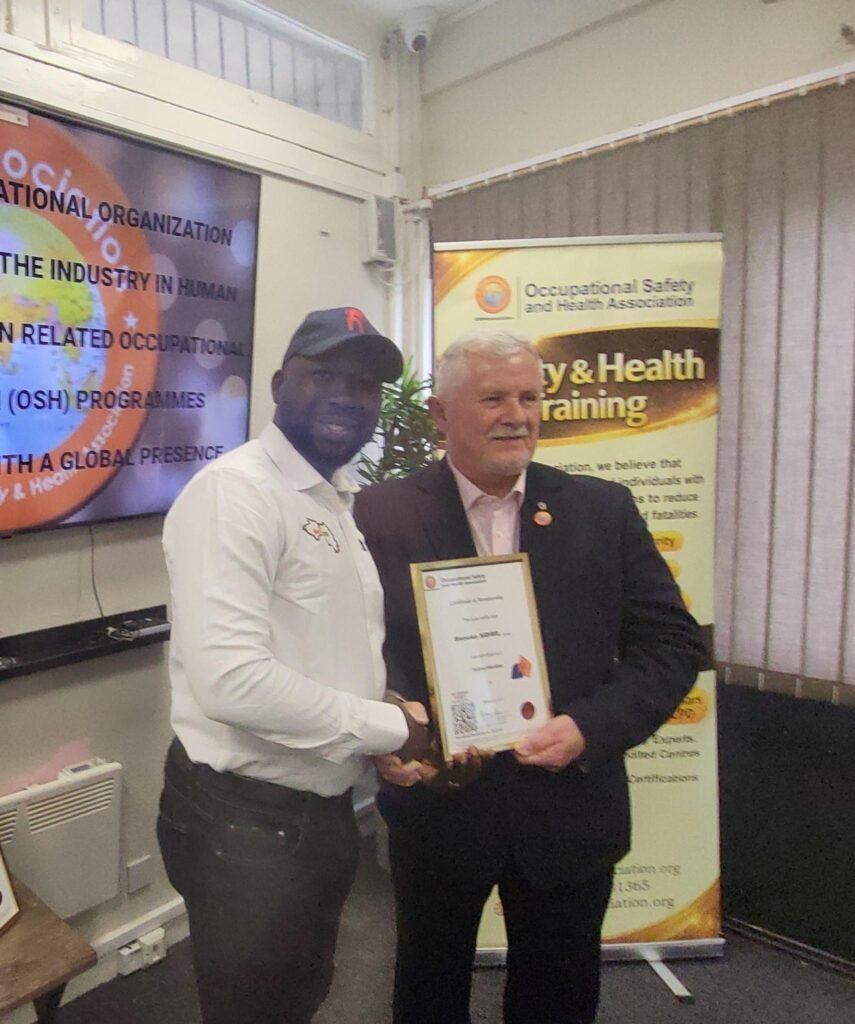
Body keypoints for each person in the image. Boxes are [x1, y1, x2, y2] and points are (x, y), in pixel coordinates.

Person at [354, 330, 706, 1024]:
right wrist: (393, 722)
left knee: (558, 996)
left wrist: (588, 727)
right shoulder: (378, 514)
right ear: (440, 413)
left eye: (529, 397)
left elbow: (670, 645)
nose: (517, 415)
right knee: (428, 990)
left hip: (568, 807)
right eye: (493, 399)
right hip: (440, 807)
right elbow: (355, 647)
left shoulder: (602, 510)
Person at [157, 307, 432, 1024]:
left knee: (296, 997)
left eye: (365, 384)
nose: (348, 395)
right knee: (255, 1009)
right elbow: (231, 682)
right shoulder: (236, 493)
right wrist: (390, 727)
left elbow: (323, 647)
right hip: (246, 822)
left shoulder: (331, 497)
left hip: (313, 812)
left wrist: (379, 719)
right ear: (280, 385)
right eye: (324, 375)